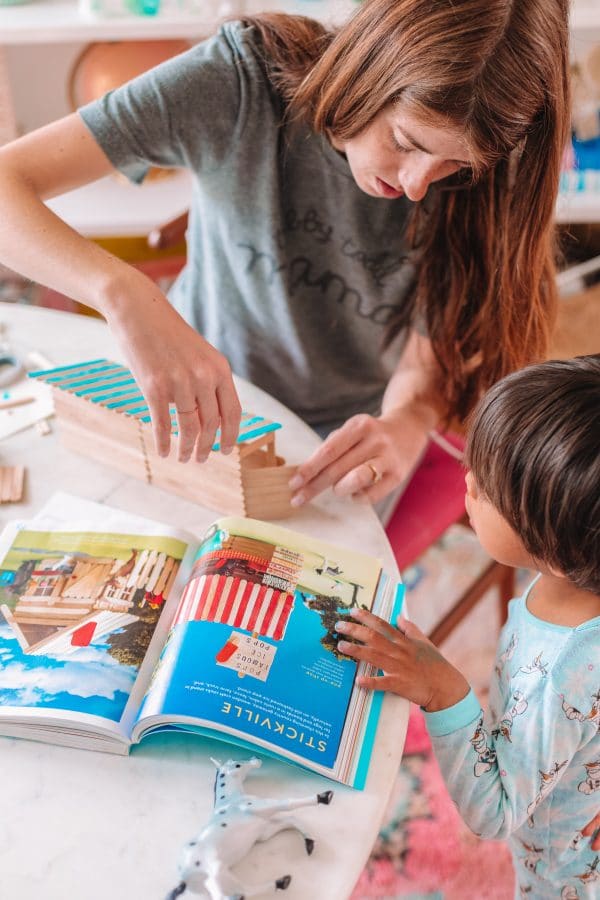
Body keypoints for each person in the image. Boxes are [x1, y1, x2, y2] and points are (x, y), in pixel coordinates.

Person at [0, 0, 570, 512]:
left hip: (339, 442)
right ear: (372, 68)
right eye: (407, 142)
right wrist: (123, 296)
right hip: (185, 403)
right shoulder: (239, 78)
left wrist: (408, 420)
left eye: (453, 166)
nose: (421, 184)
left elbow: (432, 346)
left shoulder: (495, 164)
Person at [335, 354, 600, 899]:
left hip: (561, 872)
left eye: (489, 491)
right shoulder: (574, 585)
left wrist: (444, 692)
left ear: (558, 542)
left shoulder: (559, 675)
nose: (469, 480)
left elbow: (495, 811)